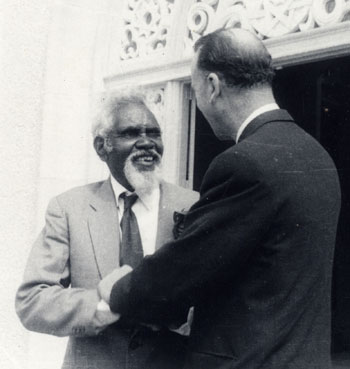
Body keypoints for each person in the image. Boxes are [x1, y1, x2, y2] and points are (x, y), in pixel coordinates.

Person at [101, 28, 342, 369]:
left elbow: (182, 272)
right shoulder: (319, 156)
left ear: (212, 86)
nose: (197, 103)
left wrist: (117, 289)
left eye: (195, 90)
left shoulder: (243, 163)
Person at [15, 90, 198, 369]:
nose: (147, 142)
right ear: (102, 147)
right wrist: (108, 304)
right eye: (131, 133)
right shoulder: (69, 208)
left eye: (154, 133)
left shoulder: (194, 205)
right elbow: (32, 301)